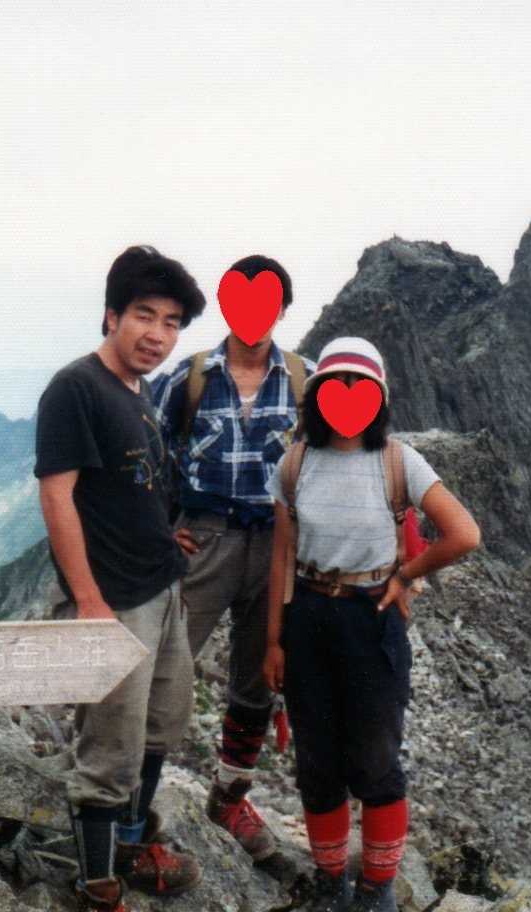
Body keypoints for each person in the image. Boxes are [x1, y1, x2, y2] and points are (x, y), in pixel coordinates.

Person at [262, 337, 482, 912]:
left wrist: (406, 574)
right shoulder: (295, 464)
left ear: (379, 399)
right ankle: (333, 881)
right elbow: (281, 557)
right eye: (336, 389)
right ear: (317, 397)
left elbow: (464, 534)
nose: (347, 400)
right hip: (308, 618)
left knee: (375, 759)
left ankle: (376, 887)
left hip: (371, 618)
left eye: (361, 390)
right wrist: (273, 642)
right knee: (317, 762)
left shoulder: (398, 462)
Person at [34, 245, 207, 912]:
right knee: (110, 748)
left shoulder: (139, 391)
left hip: (162, 589)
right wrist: (88, 602)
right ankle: (98, 886)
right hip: (113, 601)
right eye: (144, 315)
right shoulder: (75, 388)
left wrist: (166, 535)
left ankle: (131, 844)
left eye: (171, 323)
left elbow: (136, 480)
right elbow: (57, 496)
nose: (157, 335)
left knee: (162, 724)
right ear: (111, 315)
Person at [153, 254, 316, 862]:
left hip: (278, 546)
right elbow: (147, 456)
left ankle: (229, 796)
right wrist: (159, 531)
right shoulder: (188, 378)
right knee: (164, 664)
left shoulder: (308, 381)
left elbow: (335, 463)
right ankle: (127, 798)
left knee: (259, 677)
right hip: (205, 538)